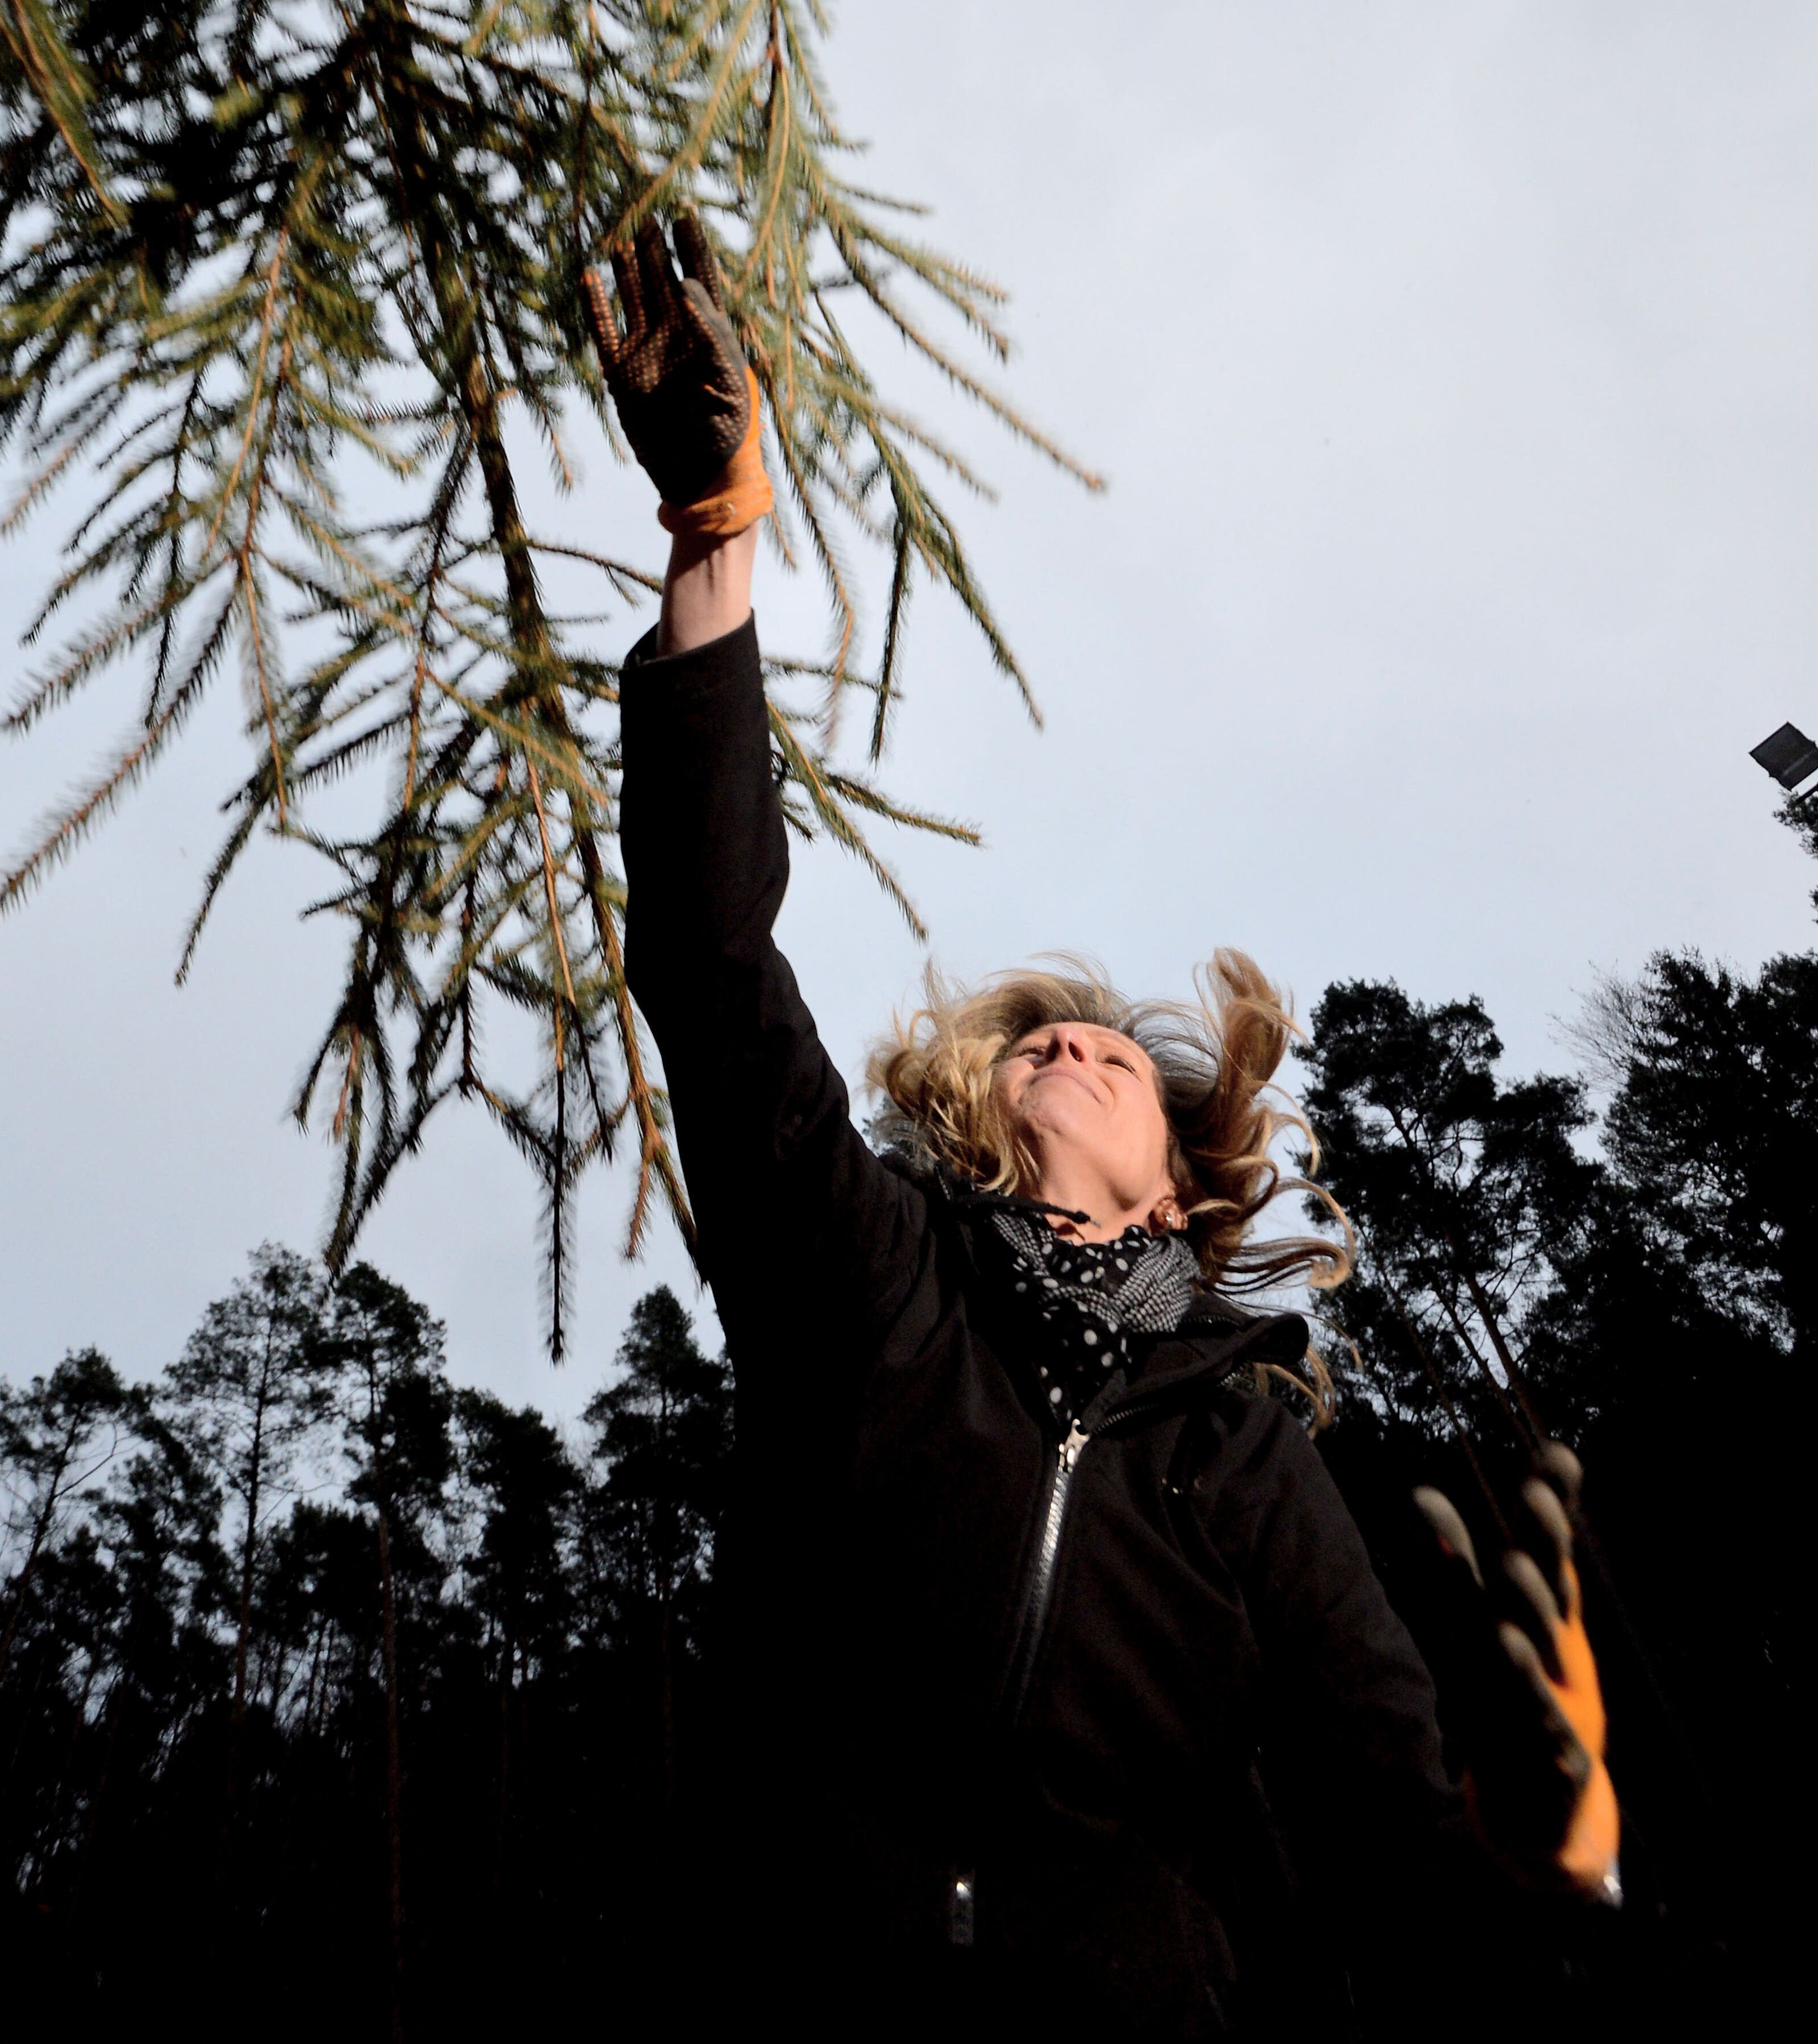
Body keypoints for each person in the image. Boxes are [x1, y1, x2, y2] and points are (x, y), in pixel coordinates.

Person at [585, 216, 1618, 2042]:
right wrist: (713, 544)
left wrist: (1554, 1869)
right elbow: (708, 957)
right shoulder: (880, 1274)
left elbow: (1392, 1790)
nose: (1072, 1035)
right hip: (792, 2002)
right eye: (1044, 1039)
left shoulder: (1236, 1443)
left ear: (1186, 1183)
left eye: (1121, 1057)